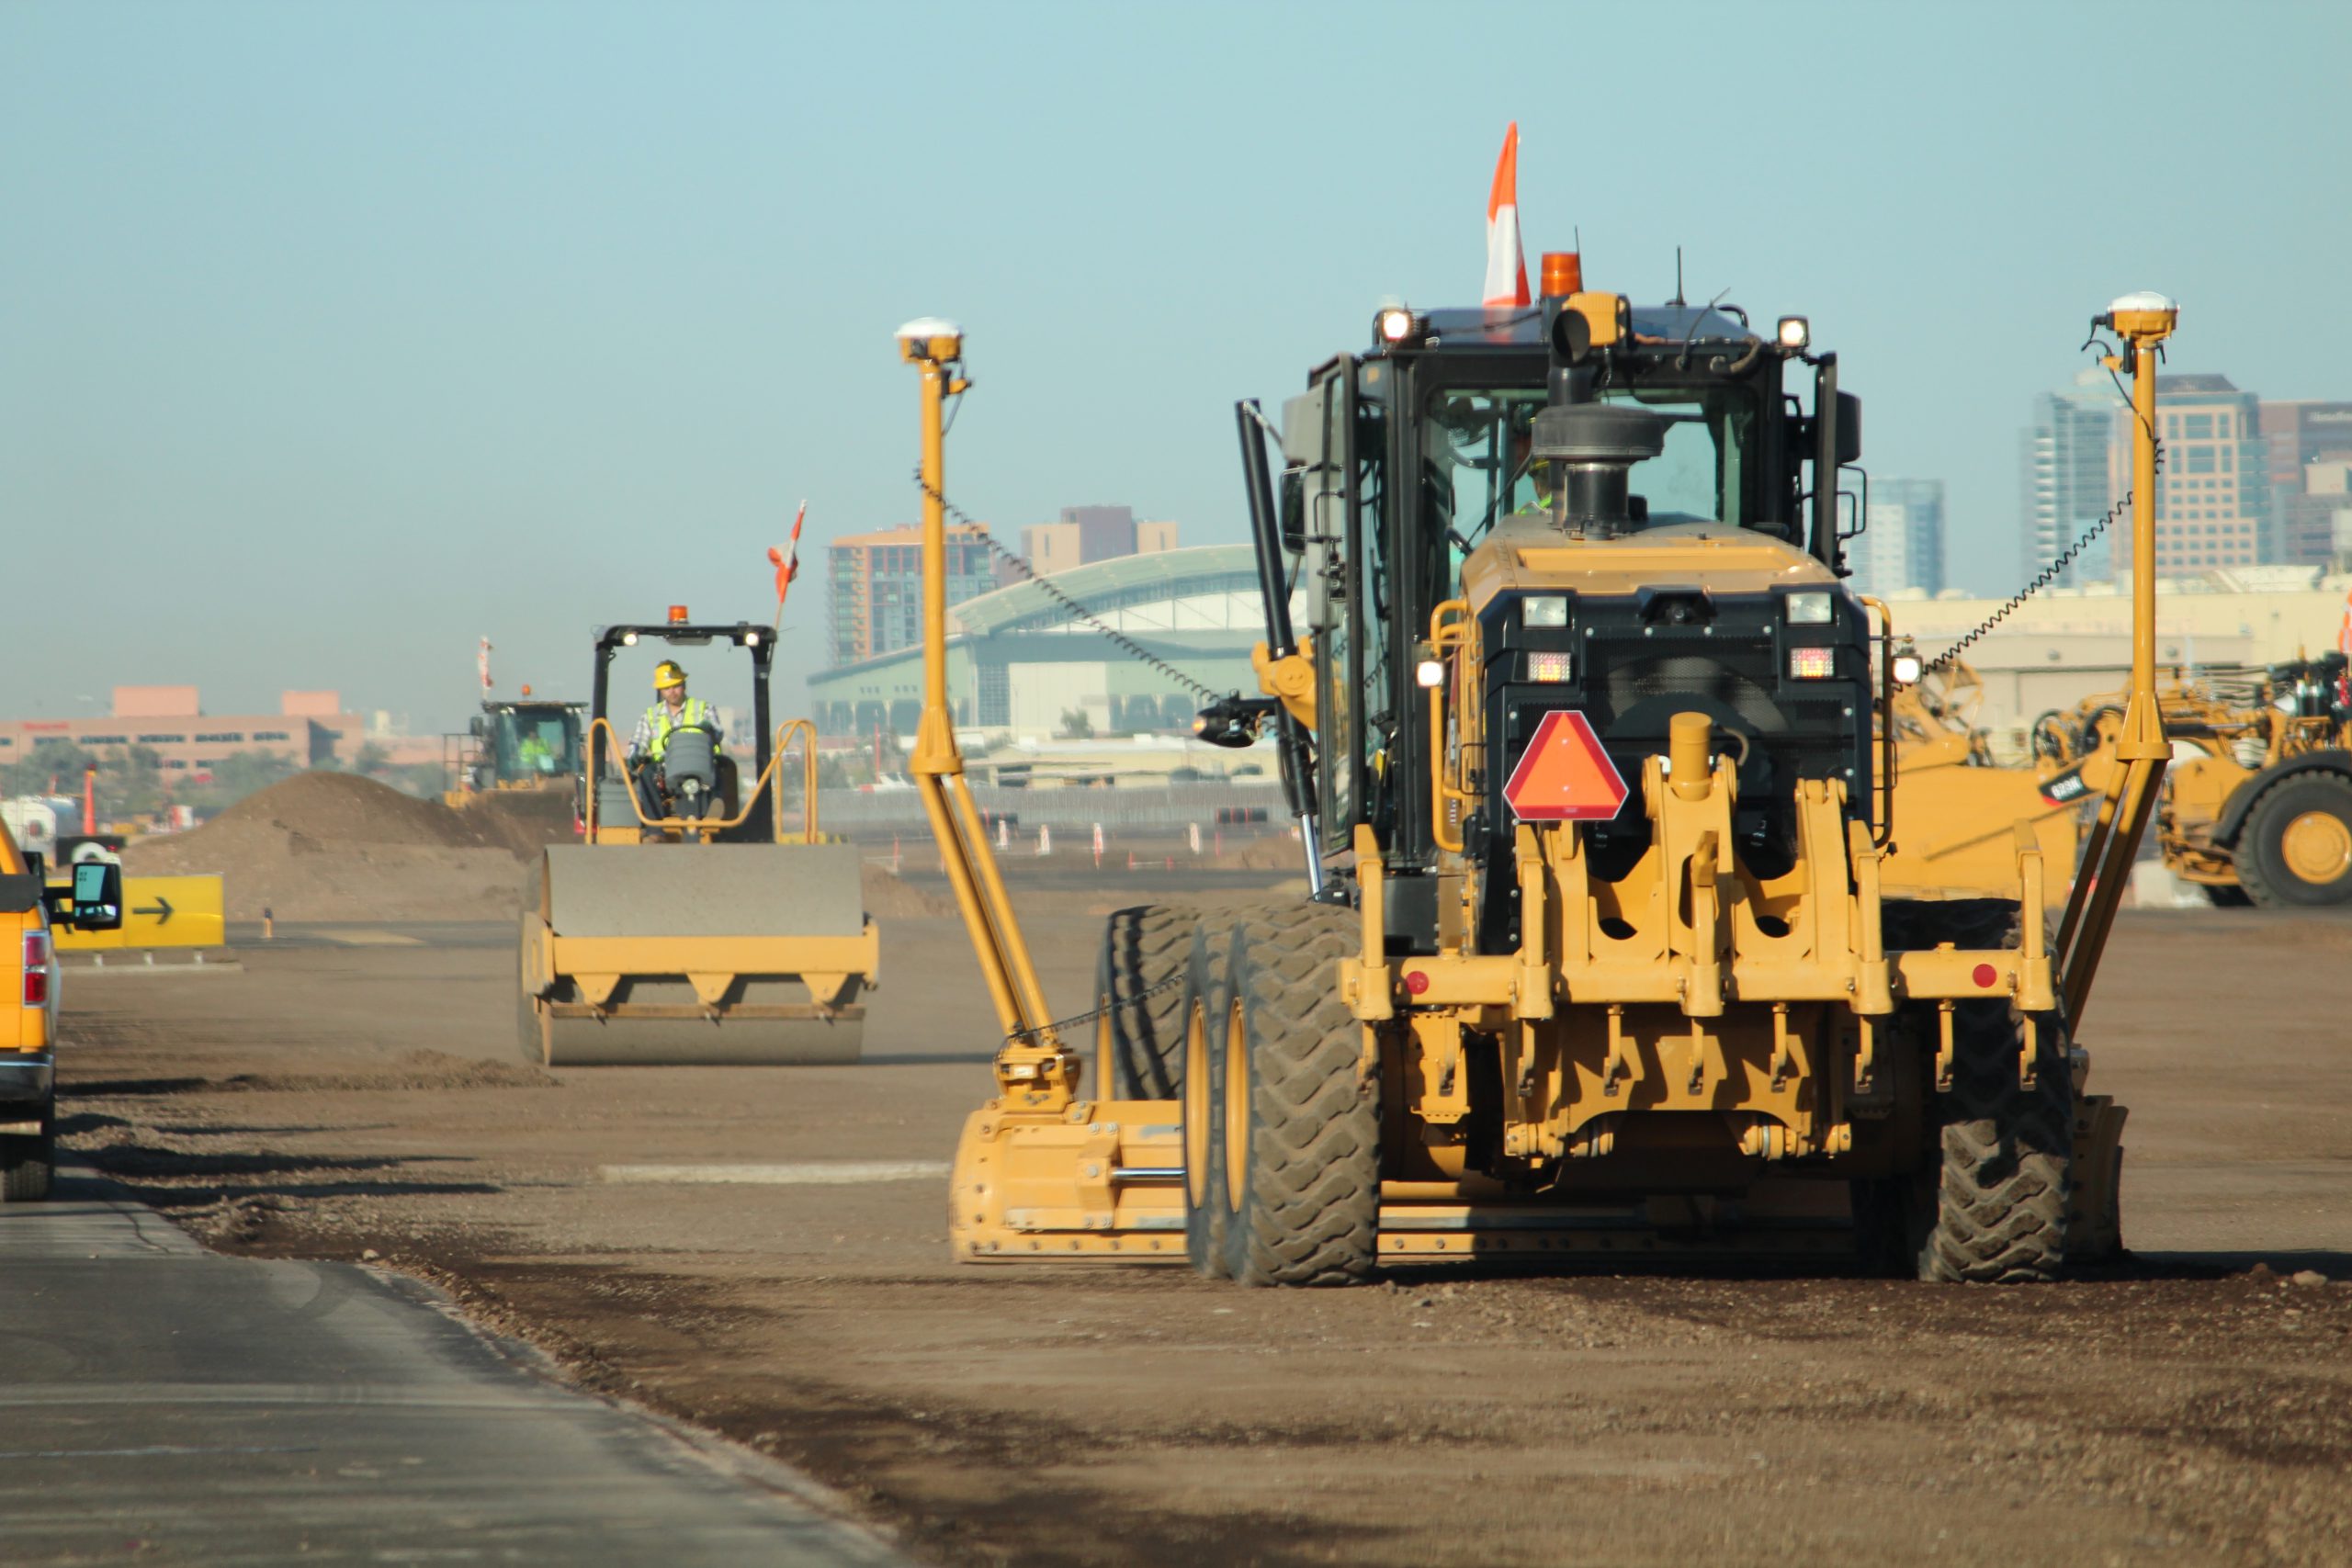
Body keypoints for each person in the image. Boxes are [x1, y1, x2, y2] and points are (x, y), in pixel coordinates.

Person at [626, 662, 721, 835]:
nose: (672, 691)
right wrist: (634, 755)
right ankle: (655, 831)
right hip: (663, 768)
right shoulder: (650, 715)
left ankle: (714, 812)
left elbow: (718, 732)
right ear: (660, 691)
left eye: (676, 686)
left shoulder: (703, 709)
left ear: (684, 685)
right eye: (666, 688)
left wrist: (710, 729)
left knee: (722, 765)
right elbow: (639, 742)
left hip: (698, 764)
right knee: (646, 772)